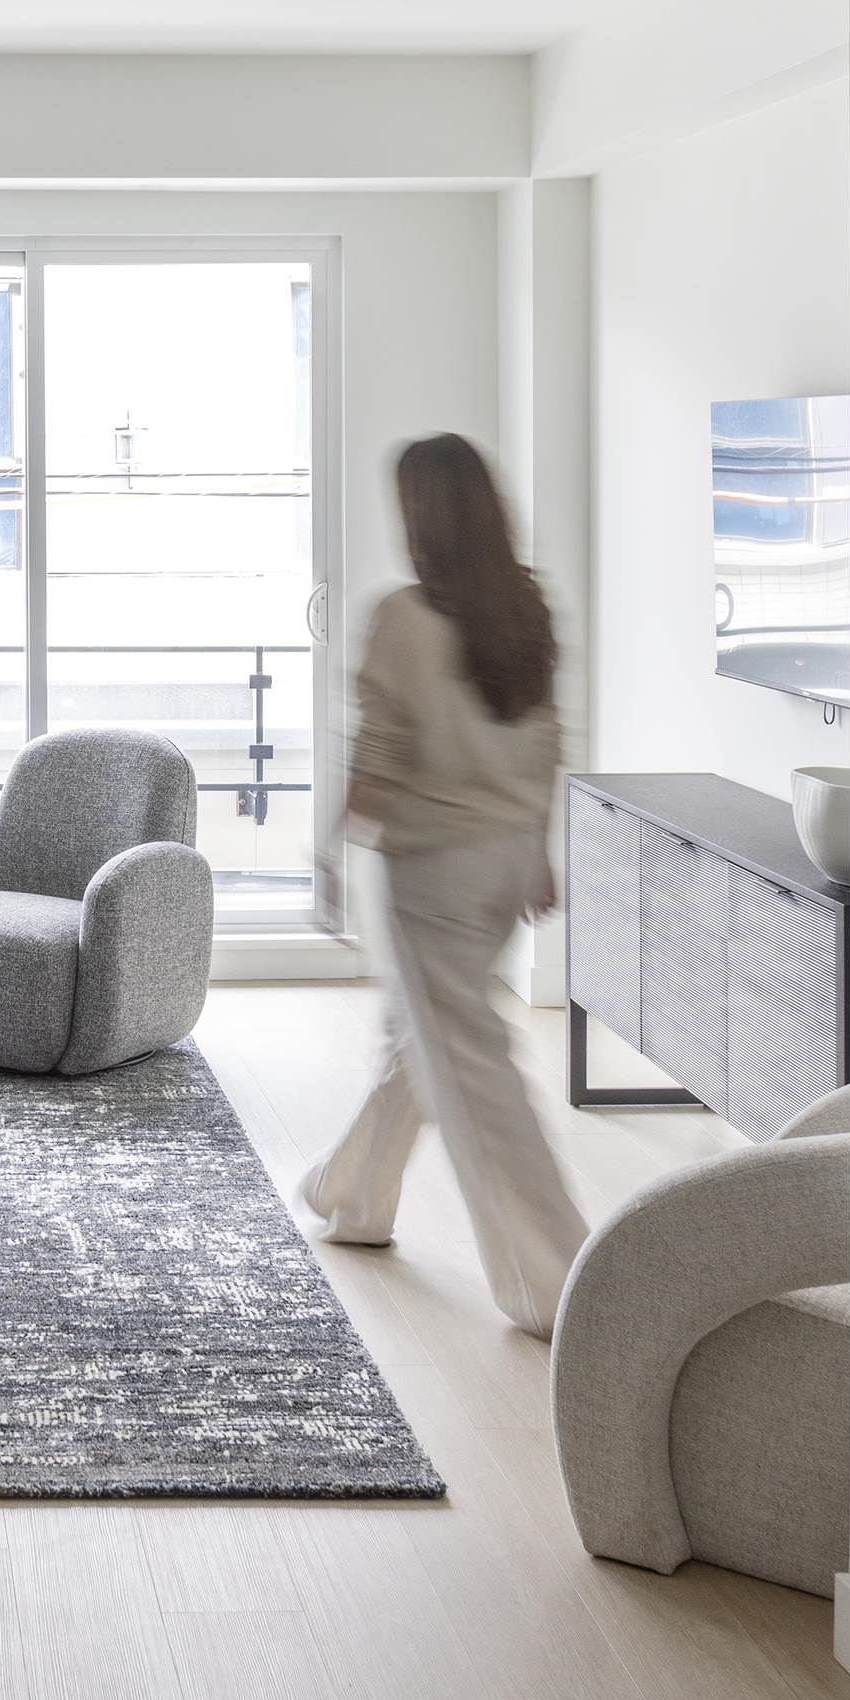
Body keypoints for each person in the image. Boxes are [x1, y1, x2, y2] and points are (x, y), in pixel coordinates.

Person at [299, 432, 587, 1340]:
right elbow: (547, 742)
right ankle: (354, 1196)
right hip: (506, 863)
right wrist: (538, 850)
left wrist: (331, 847)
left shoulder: (403, 617)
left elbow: (379, 755)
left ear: (422, 514)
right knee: (425, 1036)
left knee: (472, 1071)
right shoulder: (525, 608)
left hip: (435, 872)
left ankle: (564, 1281)